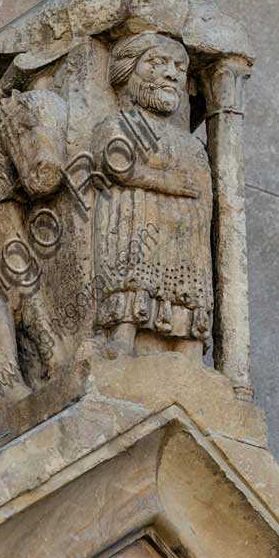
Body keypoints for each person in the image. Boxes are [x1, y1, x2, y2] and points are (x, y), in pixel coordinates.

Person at [93, 32, 213, 361]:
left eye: (178, 67)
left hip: (184, 235)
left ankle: (188, 343)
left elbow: (203, 193)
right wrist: (166, 182)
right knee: (136, 277)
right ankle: (123, 334)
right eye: (156, 63)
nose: (171, 74)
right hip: (137, 218)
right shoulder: (120, 123)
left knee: (185, 288)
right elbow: (116, 166)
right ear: (128, 74)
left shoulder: (190, 144)